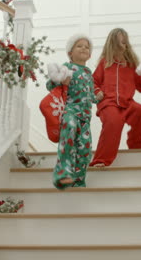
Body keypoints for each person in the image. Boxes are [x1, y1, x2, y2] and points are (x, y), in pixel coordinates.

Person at [89, 28, 141, 167]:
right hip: (108, 102)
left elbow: (140, 86)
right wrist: (97, 91)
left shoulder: (131, 65)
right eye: (120, 40)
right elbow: (93, 81)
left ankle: (137, 149)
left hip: (127, 103)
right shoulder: (105, 63)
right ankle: (101, 160)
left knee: (140, 110)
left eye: (125, 40)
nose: (124, 42)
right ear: (113, 43)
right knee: (114, 121)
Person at [46, 34, 97, 189]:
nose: (84, 48)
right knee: (68, 135)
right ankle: (63, 174)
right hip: (70, 112)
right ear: (70, 53)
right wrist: (61, 80)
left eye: (87, 47)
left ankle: (78, 180)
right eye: (79, 46)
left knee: (85, 148)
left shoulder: (88, 73)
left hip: (85, 118)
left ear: (90, 54)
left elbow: (89, 94)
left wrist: (97, 97)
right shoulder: (66, 68)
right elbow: (50, 85)